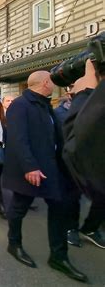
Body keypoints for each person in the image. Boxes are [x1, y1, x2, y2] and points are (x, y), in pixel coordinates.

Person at [3, 70, 87, 282]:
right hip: (30, 170)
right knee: (19, 208)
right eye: (53, 81)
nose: (55, 84)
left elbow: (55, 137)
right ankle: (14, 244)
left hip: (52, 168)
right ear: (46, 82)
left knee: (60, 207)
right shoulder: (20, 105)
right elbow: (18, 139)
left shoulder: (45, 104)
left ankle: (58, 256)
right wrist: (30, 166)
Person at [63, 59, 105, 249]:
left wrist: (85, 94)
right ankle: (70, 228)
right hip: (70, 165)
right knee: (72, 198)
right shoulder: (59, 111)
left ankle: (90, 227)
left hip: (90, 163)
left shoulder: (93, 103)